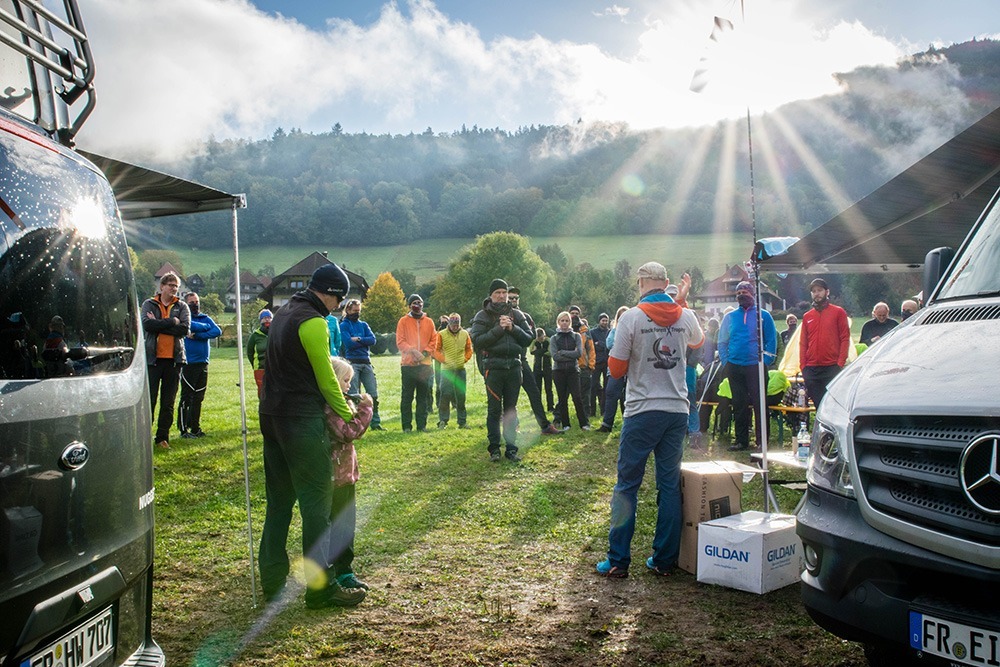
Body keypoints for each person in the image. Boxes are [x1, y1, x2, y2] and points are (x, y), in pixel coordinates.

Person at [258, 262, 366, 609]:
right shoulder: (314, 322)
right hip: (301, 421)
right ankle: (320, 589)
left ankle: (272, 581)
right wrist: (349, 412)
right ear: (331, 294)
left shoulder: (282, 312)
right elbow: (326, 379)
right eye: (339, 299)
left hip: (271, 417)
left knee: (278, 504)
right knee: (316, 507)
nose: (338, 306)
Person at [597, 262, 703, 578]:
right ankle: (664, 560)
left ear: (641, 283)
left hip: (642, 410)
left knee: (627, 485)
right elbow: (696, 343)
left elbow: (615, 371)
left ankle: (618, 560)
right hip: (676, 410)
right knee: (669, 485)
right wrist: (681, 302)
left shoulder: (630, 318)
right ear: (666, 283)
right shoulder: (686, 315)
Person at [324, 357, 374, 594]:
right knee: (339, 526)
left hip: (346, 473)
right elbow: (349, 432)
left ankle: (344, 569)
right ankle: (339, 571)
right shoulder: (329, 406)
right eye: (344, 381)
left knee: (346, 524)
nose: (348, 386)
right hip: (336, 475)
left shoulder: (340, 402)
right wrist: (366, 408)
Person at [470, 279, 533, 462]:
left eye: (504, 292)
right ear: (491, 295)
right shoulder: (482, 315)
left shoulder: (517, 314)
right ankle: (494, 449)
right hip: (493, 368)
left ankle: (511, 449)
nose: (501, 296)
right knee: (494, 410)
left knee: (511, 409)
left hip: (513, 366)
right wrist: (499, 329)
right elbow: (478, 341)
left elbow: (528, 338)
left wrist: (512, 328)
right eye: (497, 292)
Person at [718, 280, 777, 451]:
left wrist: (765, 362)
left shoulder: (764, 316)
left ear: (752, 294)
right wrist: (725, 361)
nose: (741, 296)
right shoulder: (729, 317)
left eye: (744, 292)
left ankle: (762, 441)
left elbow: (771, 341)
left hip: (756, 366)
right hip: (735, 366)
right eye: (738, 294)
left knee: (760, 404)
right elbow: (722, 342)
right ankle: (741, 440)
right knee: (739, 404)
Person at [141, 272, 190, 449]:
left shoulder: (182, 306)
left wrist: (161, 324)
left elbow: (184, 330)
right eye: (171, 285)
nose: (174, 289)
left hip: (174, 361)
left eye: (176, 286)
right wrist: (172, 322)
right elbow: (147, 325)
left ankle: (163, 437)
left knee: (168, 402)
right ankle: (145, 436)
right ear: (162, 286)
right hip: (152, 361)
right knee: (150, 401)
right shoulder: (149, 304)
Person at [507, 287, 561, 436]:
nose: (513, 300)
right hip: (507, 361)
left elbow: (531, 336)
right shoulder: (500, 317)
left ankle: (544, 426)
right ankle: (512, 427)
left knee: (534, 392)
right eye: (510, 298)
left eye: (516, 298)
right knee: (511, 397)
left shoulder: (525, 317)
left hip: (522, 360)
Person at [799, 278, 850, 408]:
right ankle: (820, 429)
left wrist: (840, 363)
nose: (817, 293)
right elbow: (803, 342)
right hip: (811, 368)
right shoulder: (807, 316)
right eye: (814, 291)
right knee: (818, 406)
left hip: (831, 366)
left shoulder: (838, 312)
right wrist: (803, 366)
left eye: (820, 290)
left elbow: (845, 338)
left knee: (832, 406)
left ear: (827, 292)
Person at [177, 292, 222, 438]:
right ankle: (183, 430)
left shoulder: (205, 317)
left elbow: (217, 330)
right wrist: (203, 328)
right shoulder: (183, 318)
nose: (195, 304)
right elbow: (189, 326)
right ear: (186, 304)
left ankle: (195, 428)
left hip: (203, 363)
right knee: (187, 397)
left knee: (198, 397)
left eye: (197, 302)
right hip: (189, 363)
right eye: (192, 302)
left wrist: (198, 335)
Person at [339, 298, 384, 430]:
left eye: (358, 311)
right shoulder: (344, 325)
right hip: (352, 363)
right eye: (354, 311)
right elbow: (348, 343)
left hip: (366, 362)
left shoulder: (364, 325)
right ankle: (355, 423)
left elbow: (373, 340)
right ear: (348, 310)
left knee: (373, 393)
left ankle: (375, 422)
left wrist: (358, 339)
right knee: (354, 394)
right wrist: (363, 342)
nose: (357, 313)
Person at [396, 294, 437, 432]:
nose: (417, 305)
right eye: (414, 302)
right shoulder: (403, 321)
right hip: (408, 365)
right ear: (409, 306)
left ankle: (422, 425)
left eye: (420, 302)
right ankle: (406, 426)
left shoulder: (429, 322)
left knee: (423, 397)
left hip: (424, 366)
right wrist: (413, 352)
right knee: (407, 397)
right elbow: (400, 341)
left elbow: (434, 341)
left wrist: (424, 353)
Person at [550, 311, 590, 431]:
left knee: (577, 397)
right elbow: (554, 356)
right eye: (562, 321)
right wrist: (569, 354)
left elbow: (579, 353)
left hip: (573, 370)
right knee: (562, 399)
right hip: (558, 371)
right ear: (558, 322)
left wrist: (562, 352)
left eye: (567, 321)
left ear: (570, 322)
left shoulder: (576, 336)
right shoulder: (554, 338)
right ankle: (566, 424)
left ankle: (584, 423)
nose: (564, 323)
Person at [432, 313, 473, 428]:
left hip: (460, 369)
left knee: (461, 396)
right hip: (446, 371)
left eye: (457, 325)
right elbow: (436, 350)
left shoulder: (465, 334)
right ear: (449, 324)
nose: (455, 327)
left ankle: (462, 422)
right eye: (453, 325)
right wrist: (443, 360)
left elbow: (469, 349)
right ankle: (443, 421)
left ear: (460, 324)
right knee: (445, 395)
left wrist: (464, 359)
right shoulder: (441, 334)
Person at [597, 306, 630, 432]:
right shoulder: (614, 331)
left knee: (628, 397)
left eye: (625, 315)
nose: (623, 318)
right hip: (615, 368)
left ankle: (627, 423)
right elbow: (609, 344)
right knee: (610, 392)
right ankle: (607, 424)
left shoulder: (634, 330)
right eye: (620, 316)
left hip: (631, 369)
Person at [590, 312, 611, 418]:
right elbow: (592, 346)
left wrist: (600, 344)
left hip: (607, 362)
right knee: (593, 386)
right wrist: (603, 345)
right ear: (599, 321)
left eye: (606, 320)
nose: (605, 322)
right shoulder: (593, 332)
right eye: (603, 320)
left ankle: (604, 410)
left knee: (606, 388)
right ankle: (592, 411)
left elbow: (609, 345)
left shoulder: (610, 332)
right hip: (596, 362)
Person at [247, 309, 272, 398]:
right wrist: (255, 365)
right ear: (260, 320)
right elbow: (250, 353)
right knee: (263, 392)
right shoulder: (255, 336)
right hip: (260, 368)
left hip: (275, 368)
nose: (267, 320)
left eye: (269, 318)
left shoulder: (275, 333)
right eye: (265, 318)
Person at [530, 327, 555, 413]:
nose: (540, 341)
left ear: (544, 336)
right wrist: (542, 351)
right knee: (537, 389)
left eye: (541, 339)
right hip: (537, 369)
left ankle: (551, 407)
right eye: (538, 339)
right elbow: (531, 351)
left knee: (548, 388)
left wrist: (538, 352)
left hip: (547, 368)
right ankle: (538, 408)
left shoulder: (549, 341)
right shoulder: (534, 341)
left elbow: (550, 352)